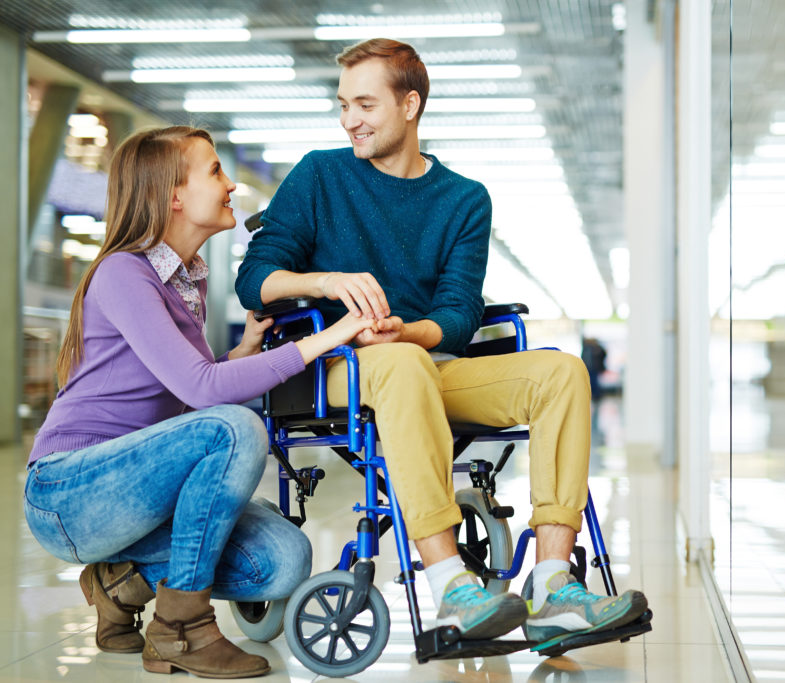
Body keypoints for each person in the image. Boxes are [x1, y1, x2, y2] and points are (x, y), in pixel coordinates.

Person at [235, 38, 647, 649]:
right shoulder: (321, 175)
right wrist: (328, 281)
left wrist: (410, 330)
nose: (350, 119)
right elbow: (255, 277)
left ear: (410, 105)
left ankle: (555, 585)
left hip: (426, 360)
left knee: (560, 374)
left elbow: (458, 312)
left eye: (366, 104)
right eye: (344, 104)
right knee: (401, 365)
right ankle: (452, 584)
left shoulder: (463, 200)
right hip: (340, 367)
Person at [24, 126, 376, 679]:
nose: (231, 184)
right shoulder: (123, 273)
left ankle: (122, 581)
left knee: (283, 561)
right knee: (235, 428)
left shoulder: (184, 283)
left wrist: (241, 355)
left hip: (138, 496)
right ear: (174, 196)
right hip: (69, 493)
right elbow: (203, 393)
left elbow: (185, 400)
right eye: (215, 171)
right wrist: (320, 342)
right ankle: (181, 629)